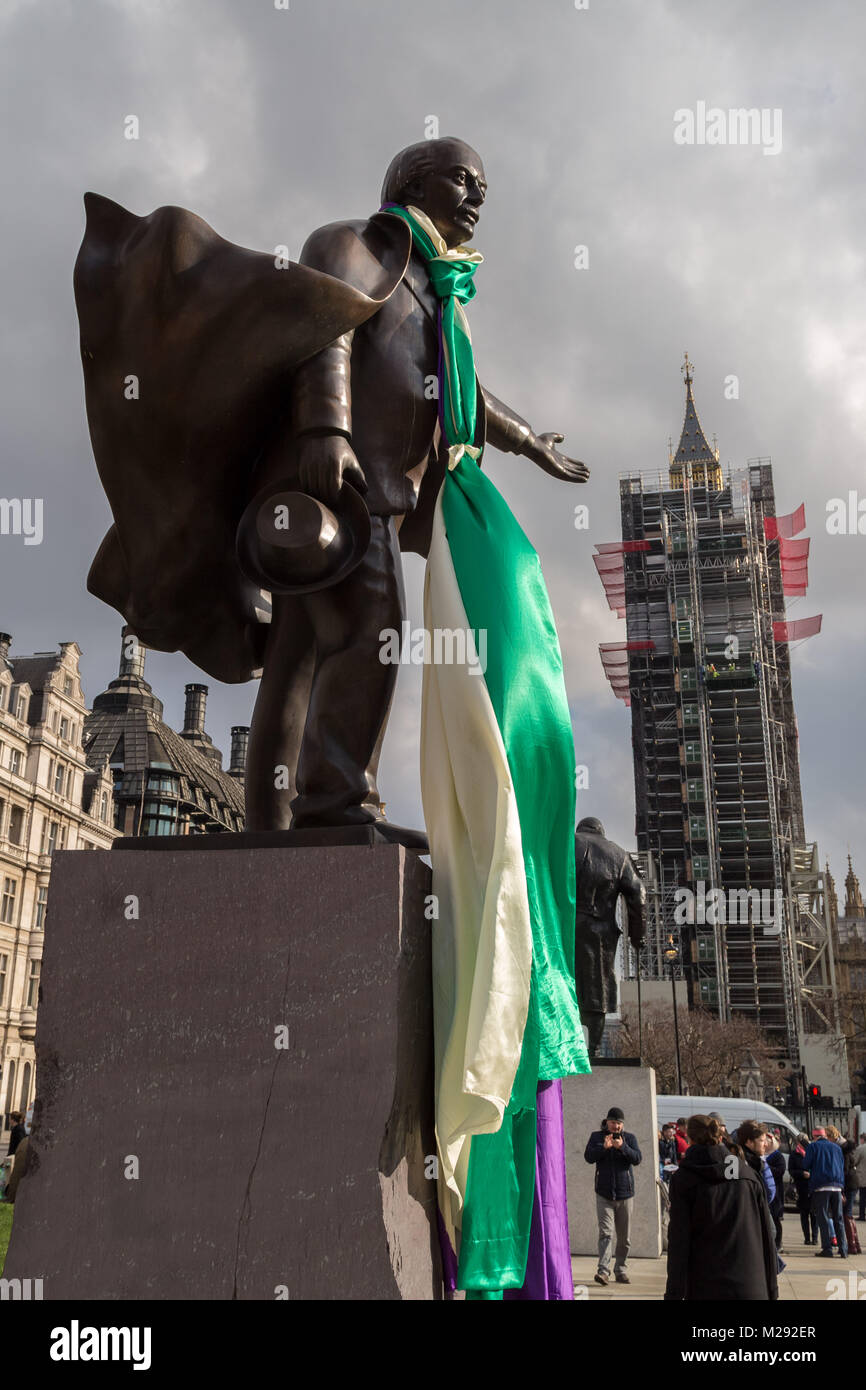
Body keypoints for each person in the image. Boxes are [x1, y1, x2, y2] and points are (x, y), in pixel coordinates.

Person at [664, 1114, 778, 1301]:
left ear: (689, 1139)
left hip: (706, 1285)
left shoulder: (685, 1179)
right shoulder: (747, 1174)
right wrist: (772, 1290)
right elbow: (766, 1237)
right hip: (751, 1285)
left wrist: (674, 1294)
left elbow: (679, 1241)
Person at [584, 1107, 642, 1286]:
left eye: (618, 1123)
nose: (615, 1126)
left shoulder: (629, 1138)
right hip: (604, 1194)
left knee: (624, 1238)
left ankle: (621, 1269)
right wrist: (604, 1147)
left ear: (622, 1124)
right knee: (606, 1234)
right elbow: (589, 1157)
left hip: (625, 1195)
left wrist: (622, 1147)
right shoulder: (597, 1137)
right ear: (607, 1122)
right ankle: (603, 1271)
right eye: (612, 1122)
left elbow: (637, 1158)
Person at [804, 1128, 848, 1258]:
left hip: (821, 1186)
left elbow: (806, 1164)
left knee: (822, 1218)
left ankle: (827, 1249)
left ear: (814, 1136)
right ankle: (843, 1249)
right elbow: (841, 1166)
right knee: (838, 1218)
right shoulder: (836, 1148)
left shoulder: (813, 1147)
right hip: (837, 1186)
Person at [789, 1133, 818, 1245]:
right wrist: (801, 1173)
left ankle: (815, 1238)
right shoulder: (794, 1154)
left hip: (812, 1186)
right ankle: (807, 1238)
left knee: (814, 1214)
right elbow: (791, 1170)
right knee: (804, 1214)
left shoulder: (813, 1152)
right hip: (801, 1187)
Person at [764, 1132, 786, 1252]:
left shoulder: (777, 1156)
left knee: (776, 1219)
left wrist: (766, 1167)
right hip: (766, 1191)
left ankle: (778, 1243)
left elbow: (780, 1171)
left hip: (775, 1191)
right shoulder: (762, 1156)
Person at [841, 1141, 862, 1255]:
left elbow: (844, 1172)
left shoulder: (845, 1155)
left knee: (847, 1215)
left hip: (849, 1185)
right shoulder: (851, 1154)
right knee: (849, 1215)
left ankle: (852, 1245)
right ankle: (856, 1244)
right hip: (854, 1184)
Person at [853, 1131, 866, 1221]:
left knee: (863, 1197)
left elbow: (854, 1161)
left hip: (863, 1176)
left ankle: (862, 1215)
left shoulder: (860, 1148)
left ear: (862, 1139)